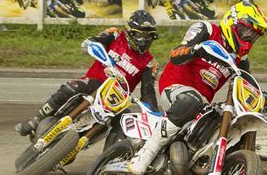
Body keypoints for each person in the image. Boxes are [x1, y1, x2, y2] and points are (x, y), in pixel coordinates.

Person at [106, 1, 267, 175]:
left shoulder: (240, 59)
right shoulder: (207, 29)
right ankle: (144, 156)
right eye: (245, 32)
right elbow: (175, 55)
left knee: (239, 121)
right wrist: (196, 50)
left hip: (202, 103)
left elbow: (247, 87)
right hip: (175, 87)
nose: (248, 39)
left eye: (253, 36)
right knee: (192, 100)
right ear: (232, 23)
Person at [15, 10, 160, 146]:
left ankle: (108, 163)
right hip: (95, 82)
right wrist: (94, 48)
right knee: (71, 87)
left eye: (149, 36)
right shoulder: (115, 35)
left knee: (126, 122)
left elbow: (148, 93)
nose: (144, 40)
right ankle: (35, 121)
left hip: (118, 100)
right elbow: (88, 43)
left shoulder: (150, 63)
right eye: (140, 35)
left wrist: (154, 114)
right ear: (130, 32)